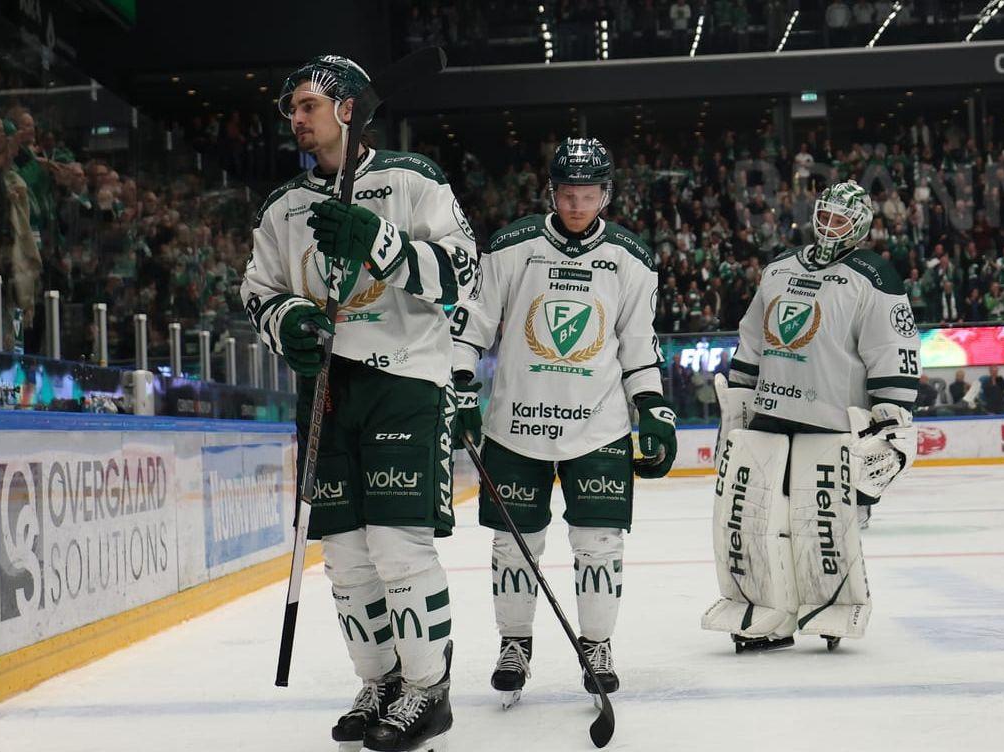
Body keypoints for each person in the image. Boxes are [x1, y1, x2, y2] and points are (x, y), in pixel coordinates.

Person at [239, 55, 478, 752]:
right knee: (345, 557)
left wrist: (379, 242)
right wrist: (286, 320)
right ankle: (378, 682)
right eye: (292, 108)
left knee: (399, 550)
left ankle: (427, 689)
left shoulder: (412, 180)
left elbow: (461, 274)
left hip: (405, 380)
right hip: (326, 390)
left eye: (308, 105)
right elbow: (259, 288)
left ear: (348, 108)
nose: (297, 119)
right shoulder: (283, 206)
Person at [447, 137, 678, 709]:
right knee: (513, 545)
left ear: (607, 194)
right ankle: (515, 645)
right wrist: (460, 386)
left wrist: (651, 407)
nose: (578, 205)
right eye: (569, 194)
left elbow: (638, 344)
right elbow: (474, 321)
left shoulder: (631, 257)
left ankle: (596, 646)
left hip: (598, 428)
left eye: (590, 194)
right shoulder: (511, 245)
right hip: (514, 426)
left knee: (600, 544)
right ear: (552, 192)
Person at [705, 181, 919, 653]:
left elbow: (892, 348)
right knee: (756, 520)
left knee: (823, 524)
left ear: (860, 223)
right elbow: (752, 341)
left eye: (841, 220)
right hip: (769, 415)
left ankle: (833, 608)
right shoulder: (779, 268)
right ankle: (767, 613)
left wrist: (890, 418)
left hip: (832, 421)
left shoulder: (874, 275)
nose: (828, 227)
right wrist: (738, 405)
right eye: (825, 215)